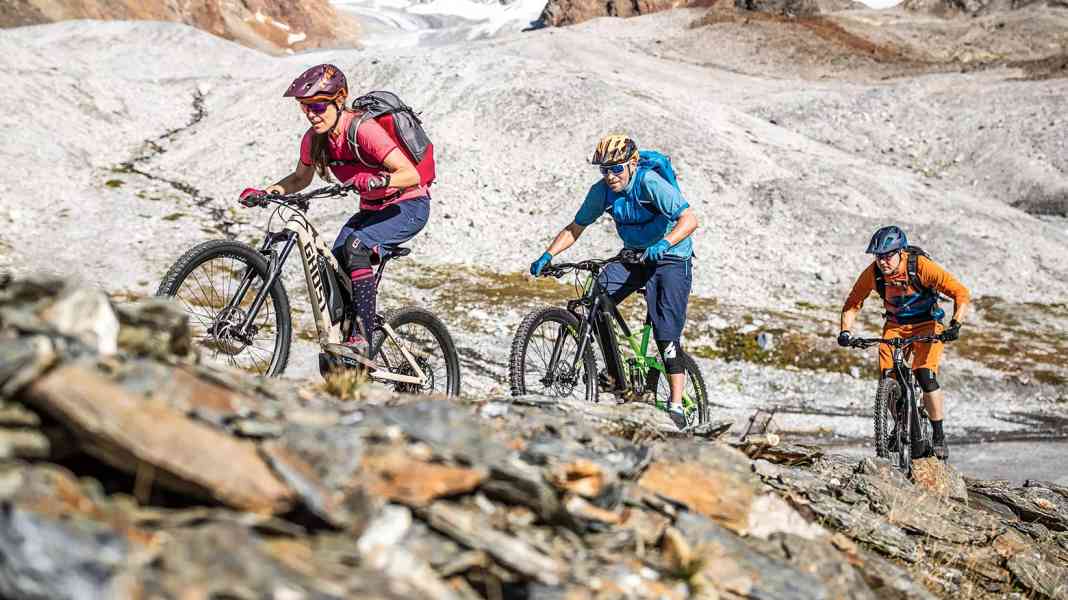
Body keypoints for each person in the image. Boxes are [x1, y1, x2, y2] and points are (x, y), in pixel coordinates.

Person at [238, 64, 430, 355]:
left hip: (409, 205)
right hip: (372, 209)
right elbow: (300, 178)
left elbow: (411, 175)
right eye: (305, 108)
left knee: (355, 247)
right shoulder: (314, 138)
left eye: (317, 106)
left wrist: (379, 178)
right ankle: (346, 344)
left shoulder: (363, 129)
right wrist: (269, 191)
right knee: (335, 265)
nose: (312, 114)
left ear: (339, 99)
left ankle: (363, 337)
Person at [529, 134, 699, 429]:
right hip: (634, 255)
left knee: (666, 331)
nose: (610, 176)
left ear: (632, 164)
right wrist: (548, 254)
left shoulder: (649, 184)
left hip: (671, 257)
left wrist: (665, 243)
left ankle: (676, 405)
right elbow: (576, 226)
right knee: (592, 299)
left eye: (616, 169)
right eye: (604, 170)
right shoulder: (602, 192)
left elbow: (689, 219)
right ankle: (613, 376)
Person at [838, 225, 971, 459]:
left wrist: (955, 324)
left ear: (900, 252)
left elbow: (960, 293)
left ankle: (939, 435)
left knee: (924, 375)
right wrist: (846, 331)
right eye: (878, 256)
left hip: (928, 324)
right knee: (888, 376)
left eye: (888, 255)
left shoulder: (919, 266)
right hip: (896, 326)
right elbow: (852, 303)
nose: (882, 262)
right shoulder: (874, 274)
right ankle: (900, 424)